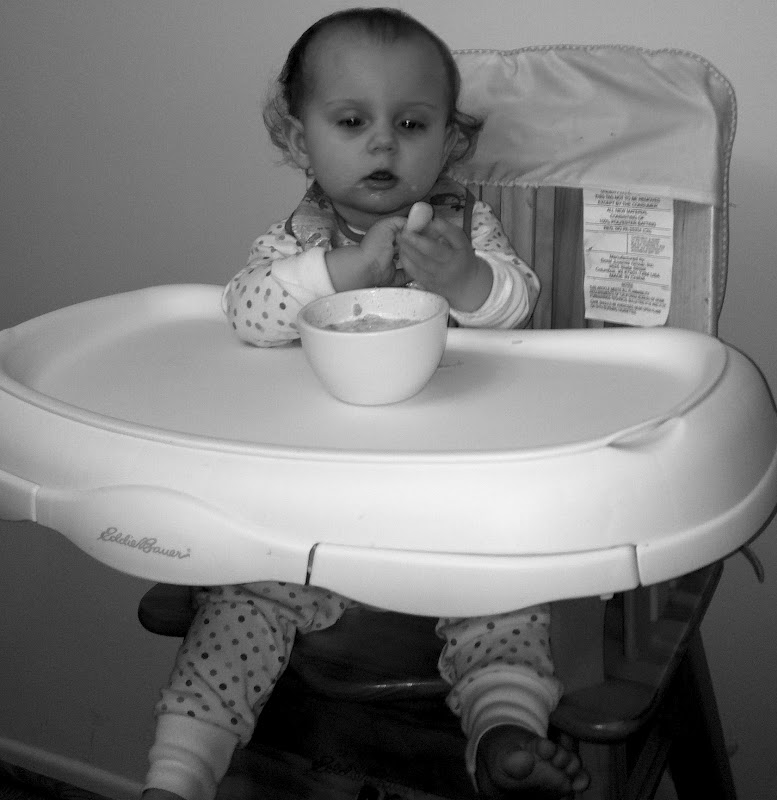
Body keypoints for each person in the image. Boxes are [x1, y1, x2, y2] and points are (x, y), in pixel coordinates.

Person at [143, 8, 589, 800]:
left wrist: (465, 280)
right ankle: (179, 773)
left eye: (411, 124)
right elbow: (245, 312)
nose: (383, 144)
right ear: (299, 138)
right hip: (312, 520)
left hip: (448, 508)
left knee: (507, 594)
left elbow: (516, 306)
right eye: (352, 121)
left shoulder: (458, 229)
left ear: (449, 142)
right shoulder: (298, 243)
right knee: (239, 602)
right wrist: (337, 273)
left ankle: (504, 729)